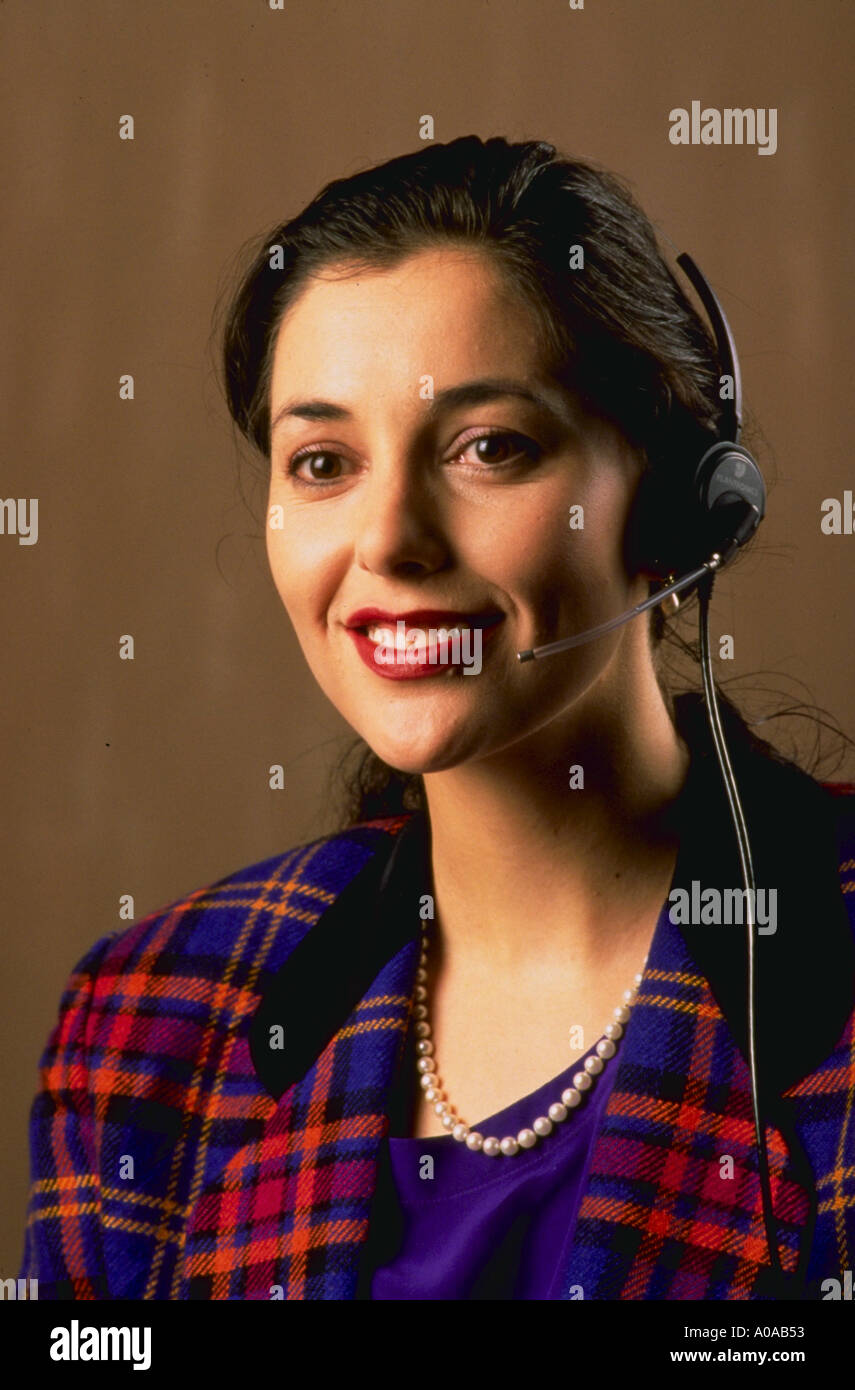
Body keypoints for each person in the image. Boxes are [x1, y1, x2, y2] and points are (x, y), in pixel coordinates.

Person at [19, 135, 855, 1302]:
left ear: (672, 502)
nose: (390, 541)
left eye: (488, 447)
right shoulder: (144, 1025)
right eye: (323, 462)